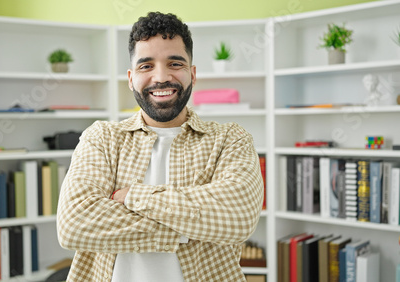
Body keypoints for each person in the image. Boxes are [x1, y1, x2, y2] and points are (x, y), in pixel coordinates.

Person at [57, 11, 264, 282]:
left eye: (175, 63)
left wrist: (132, 197)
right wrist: (189, 227)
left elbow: (237, 219)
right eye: (146, 66)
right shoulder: (102, 138)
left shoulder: (230, 139)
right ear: (131, 78)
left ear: (192, 73)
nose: (161, 77)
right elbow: (74, 226)